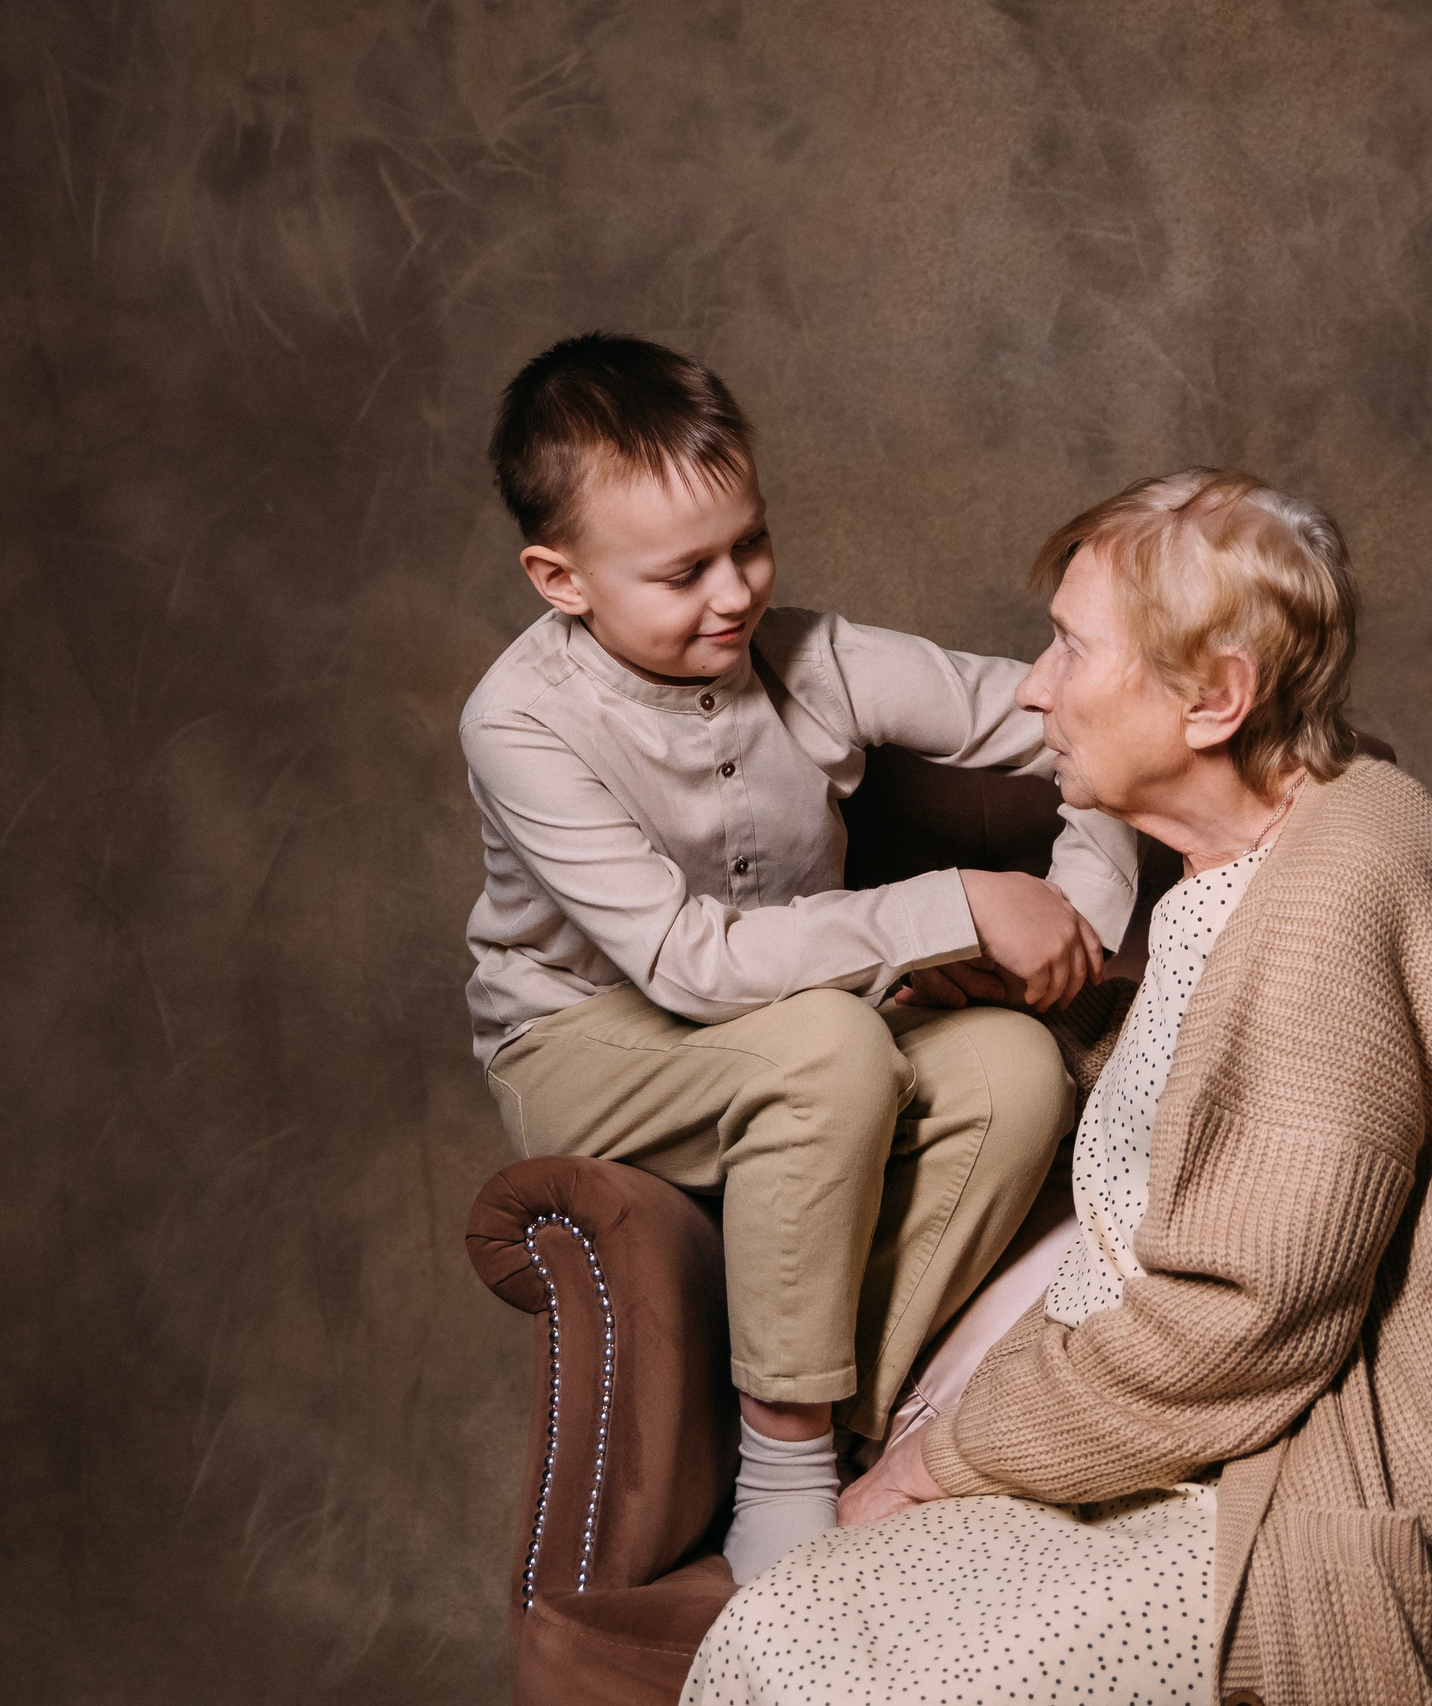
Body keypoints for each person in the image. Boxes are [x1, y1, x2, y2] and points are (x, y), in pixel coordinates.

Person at [683, 469, 1432, 1705]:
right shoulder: (1284, 843)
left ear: (1215, 698)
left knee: (796, 1659)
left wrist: (945, 1458)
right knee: (789, 1622)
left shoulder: (1336, 897)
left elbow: (1241, 1325)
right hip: (1188, 1438)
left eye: (1070, 645)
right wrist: (1046, 1011)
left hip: (1313, 1491)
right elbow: (1217, 1098)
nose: (1034, 686)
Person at [460, 334, 1140, 1583]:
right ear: (561, 579)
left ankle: (860, 1424)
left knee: (1012, 1065)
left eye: (751, 543)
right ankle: (781, 1464)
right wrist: (960, 904)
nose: (735, 593)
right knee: (830, 1046)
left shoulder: (811, 656)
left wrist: (1078, 913)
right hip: (584, 1045)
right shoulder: (519, 721)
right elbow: (687, 962)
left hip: (810, 1028)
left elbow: (1079, 721)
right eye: (683, 572)